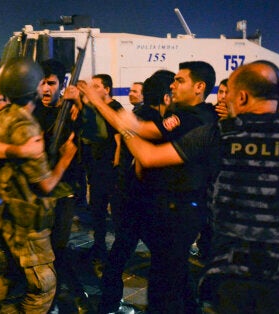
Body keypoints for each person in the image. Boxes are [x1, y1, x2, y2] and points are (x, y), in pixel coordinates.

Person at [115, 61, 279, 313]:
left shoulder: (220, 132)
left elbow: (149, 156)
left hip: (233, 272)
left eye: (228, 94)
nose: (224, 99)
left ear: (242, 96)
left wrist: (122, 124)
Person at [79, 61, 218, 313]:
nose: (174, 86)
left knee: (163, 283)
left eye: (180, 80)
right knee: (171, 273)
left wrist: (102, 106)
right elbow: (141, 131)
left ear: (199, 87)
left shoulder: (196, 118)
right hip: (169, 208)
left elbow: (145, 151)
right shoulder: (190, 115)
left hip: (177, 210)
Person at [0, 57, 77, 313]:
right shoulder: (26, 127)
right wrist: (66, 157)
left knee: (13, 275)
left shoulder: (2, 117)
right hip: (28, 220)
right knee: (43, 286)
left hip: (6, 214)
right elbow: (45, 185)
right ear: (34, 88)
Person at [97, 70, 174, 313]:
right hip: (146, 200)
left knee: (120, 252)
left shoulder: (136, 114)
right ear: (165, 96)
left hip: (127, 196)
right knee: (167, 259)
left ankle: (108, 304)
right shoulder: (155, 121)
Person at [31, 59, 88, 312]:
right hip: (37, 191)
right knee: (41, 249)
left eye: (51, 83)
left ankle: (65, 291)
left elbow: (86, 141)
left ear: (62, 84)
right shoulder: (31, 112)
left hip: (64, 190)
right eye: (42, 83)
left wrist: (80, 105)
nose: (45, 88)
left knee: (58, 246)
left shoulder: (73, 110)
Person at [81, 74, 123, 271]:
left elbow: (119, 139)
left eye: (96, 86)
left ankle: (117, 253)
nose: (92, 89)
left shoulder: (115, 108)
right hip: (96, 169)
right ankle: (99, 248)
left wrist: (115, 164)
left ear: (107, 89)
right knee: (97, 212)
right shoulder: (96, 109)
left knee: (114, 213)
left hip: (109, 170)